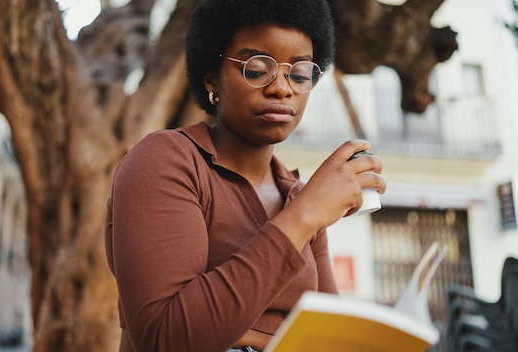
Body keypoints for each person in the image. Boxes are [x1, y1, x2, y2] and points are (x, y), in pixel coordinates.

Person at [105, 0, 387, 351]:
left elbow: (325, 340)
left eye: (299, 74)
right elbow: (166, 336)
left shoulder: (296, 193)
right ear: (213, 80)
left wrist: (248, 338)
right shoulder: (165, 160)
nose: (282, 88)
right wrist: (305, 216)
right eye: (256, 69)